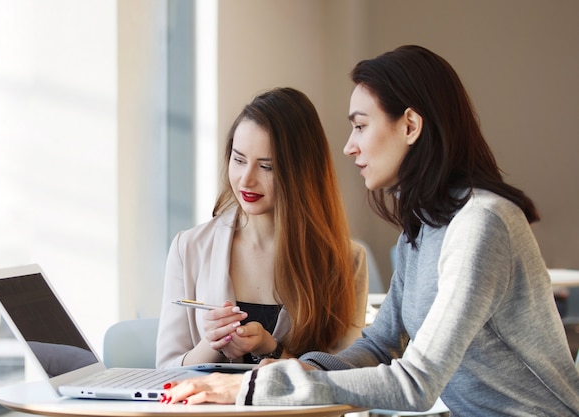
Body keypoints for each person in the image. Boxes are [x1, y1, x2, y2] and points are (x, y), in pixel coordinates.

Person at [159, 46, 579, 415]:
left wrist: (254, 387)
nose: (349, 146)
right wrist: (291, 368)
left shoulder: (480, 224)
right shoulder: (423, 229)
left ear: (410, 126)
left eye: (360, 125)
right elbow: (379, 348)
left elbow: (416, 384)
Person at [155, 87, 369, 369]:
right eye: (239, 159)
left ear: (301, 172)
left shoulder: (345, 260)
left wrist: (272, 349)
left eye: (266, 167)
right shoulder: (189, 248)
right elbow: (166, 371)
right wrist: (212, 344)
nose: (246, 180)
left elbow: (348, 375)